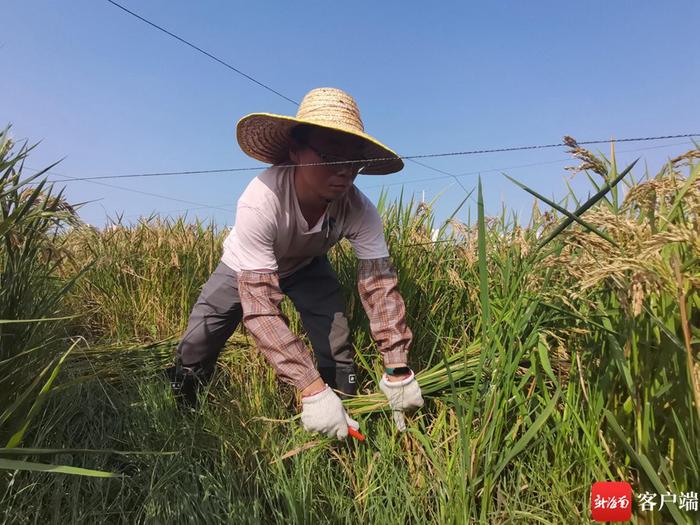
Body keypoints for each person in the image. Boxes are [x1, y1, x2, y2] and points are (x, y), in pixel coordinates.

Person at [167, 87, 424, 439]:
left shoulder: (359, 209)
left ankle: (344, 411)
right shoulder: (262, 200)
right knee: (199, 338)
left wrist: (397, 368)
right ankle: (184, 404)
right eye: (331, 157)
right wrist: (309, 388)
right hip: (244, 268)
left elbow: (379, 285)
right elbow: (260, 308)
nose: (345, 172)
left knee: (336, 341)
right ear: (294, 152)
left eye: (353, 163)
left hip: (306, 265)